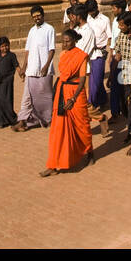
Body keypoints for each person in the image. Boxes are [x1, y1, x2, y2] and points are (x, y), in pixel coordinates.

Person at [41, 28, 94, 176]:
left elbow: (82, 79)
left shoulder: (82, 56)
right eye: (63, 41)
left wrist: (73, 98)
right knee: (58, 129)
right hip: (61, 92)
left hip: (75, 93)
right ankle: (54, 164)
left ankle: (90, 152)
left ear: (74, 41)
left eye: (68, 41)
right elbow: (63, 75)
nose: (65, 44)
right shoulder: (63, 54)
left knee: (81, 126)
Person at [14, 5, 56, 131]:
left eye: (38, 15)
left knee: (46, 97)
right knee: (27, 97)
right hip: (31, 70)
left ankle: (47, 120)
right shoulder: (32, 31)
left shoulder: (50, 29)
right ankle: (21, 121)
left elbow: (52, 49)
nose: (36, 18)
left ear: (43, 15)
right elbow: (27, 50)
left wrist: (46, 65)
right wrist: (23, 67)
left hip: (44, 70)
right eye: (34, 17)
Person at [81, 0, 112, 114]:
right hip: (88, 53)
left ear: (96, 9)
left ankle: (92, 104)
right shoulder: (86, 19)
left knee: (97, 80)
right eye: (88, 12)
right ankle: (103, 99)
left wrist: (109, 52)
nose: (90, 13)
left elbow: (110, 36)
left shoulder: (105, 20)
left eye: (92, 11)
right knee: (91, 80)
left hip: (99, 52)